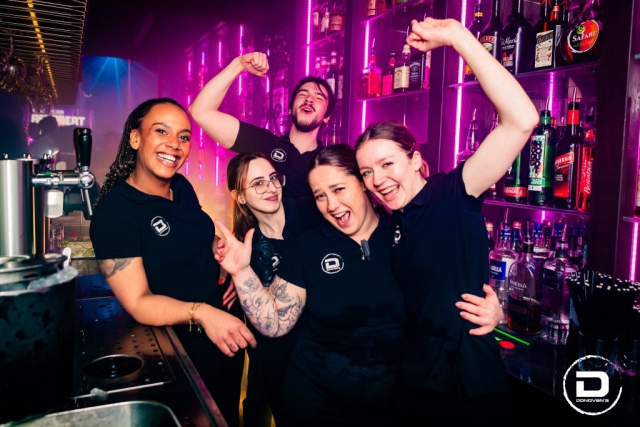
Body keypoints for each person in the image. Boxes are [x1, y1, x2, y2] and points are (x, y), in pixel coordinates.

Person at [215, 144, 503, 427]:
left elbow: (445, 284)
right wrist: (241, 272)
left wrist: (491, 308)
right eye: (320, 196)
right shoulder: (307, 247)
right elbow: (276, 324)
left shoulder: (405, 235)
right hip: (314, 396)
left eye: (339, 189)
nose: (331, 205)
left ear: (364, 183)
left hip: (395, 398)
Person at [354, 18, 540, 424]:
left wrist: (458, 37)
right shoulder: (391, 225)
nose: (377, 180)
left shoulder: (454, 194)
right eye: (367, 172)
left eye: (387, 164)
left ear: (415, 159)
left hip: (466, 387)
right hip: (413, 386)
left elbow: (521, 120)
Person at [89, 98, 256, 427]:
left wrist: (220, 253)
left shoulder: (181, 186)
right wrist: (203, 313)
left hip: (222, 338)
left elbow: (194, 236)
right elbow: (139, 302)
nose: (175, 144)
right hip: (178, 352)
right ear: (135, 138)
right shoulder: (115, 213)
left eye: (184, 136)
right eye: (161, 131)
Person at [225, 152, 321, 426]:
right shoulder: (247, 246)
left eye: (273, 178)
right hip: (277, 354)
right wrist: (239, 276)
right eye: (258, 183)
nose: (270, 187)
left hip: (322, 348)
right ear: (240, 196)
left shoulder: (311, 212)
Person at [189, 52, 334, 200]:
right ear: (290, 108)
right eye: (303, 94)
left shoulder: (331, 163)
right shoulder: (263, 143)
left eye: (319, 98)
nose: (309, 99)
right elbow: (200, 111)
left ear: (327, 117)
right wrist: (239, 64)